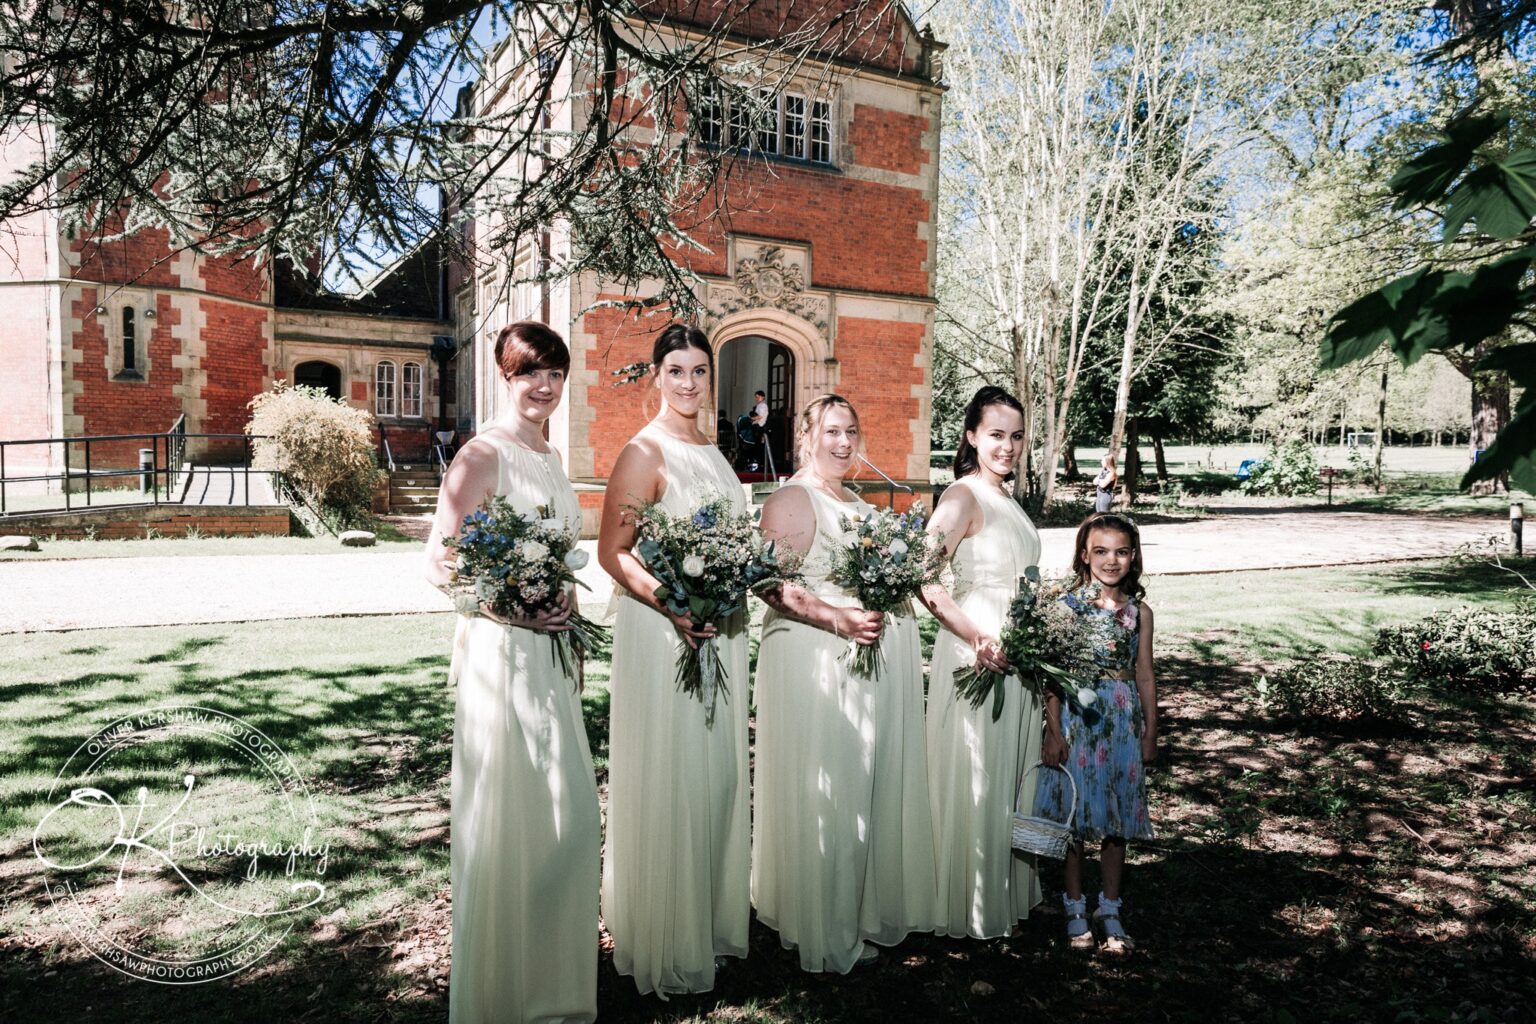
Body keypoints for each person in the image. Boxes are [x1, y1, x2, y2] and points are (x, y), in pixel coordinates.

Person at [423, 321, 599, 1024]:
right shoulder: (482, 455)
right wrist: (513, 610)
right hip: (502, 655)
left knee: (565, 818)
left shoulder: (549, 455)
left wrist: (561, 603)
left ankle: (548, 977)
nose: (544, 386)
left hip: (550, 655)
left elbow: (552, 556)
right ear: (505, 376)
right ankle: (504, 991)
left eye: (555, 373)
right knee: (515, 818)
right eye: (531, 373)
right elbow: (439, 563)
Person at [752, 395, 937, 972]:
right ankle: (823, 923)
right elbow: (767, 583)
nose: (843, 442)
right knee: (828, 789)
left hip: (867, 663)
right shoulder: (792, 497)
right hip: (817, 663)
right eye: (831, 431)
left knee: (864, 784)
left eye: (851, 431)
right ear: (807, 436)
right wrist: (838, 618)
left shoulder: (859, 503)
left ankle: (861, 907)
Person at [597, 323, 751, 997]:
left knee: (713, 778)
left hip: (721, 632)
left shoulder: (711, 451)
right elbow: (614, 552)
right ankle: (666, 932)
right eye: (676, 371)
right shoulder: (643, 451)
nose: (689, 383)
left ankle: (709, 919)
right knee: (674, 772)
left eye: (698, 372)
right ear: (655, 375)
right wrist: (674, 604)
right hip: (666, 635)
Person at [921, 386, 1047, 939]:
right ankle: (966, 901)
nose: (1008, 446)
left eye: (1017, 436)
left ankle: (1004, 889)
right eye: (997, 434)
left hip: (1020, 650)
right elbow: (924, 578)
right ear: (972, 436)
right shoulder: (962, 496)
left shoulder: (1009, 500)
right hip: (977, 650)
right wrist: (977, 637)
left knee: (1010, 768)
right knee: (976, 770)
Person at [1036, 511, 1159, 954]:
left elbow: (1144, 673)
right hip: (1077, 717)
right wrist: (1053, 732)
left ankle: (1110, 905)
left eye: (1121, 551)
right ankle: (1073, 904)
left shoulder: (1138, 612)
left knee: (1116, 815)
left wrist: (1150, 731)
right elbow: (1051, 676)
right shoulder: (1065, 608)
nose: (1111, 560)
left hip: (1123, 719)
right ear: (1084, 555)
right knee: (1075, 816)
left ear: (1133, 556)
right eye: (1101, 551)